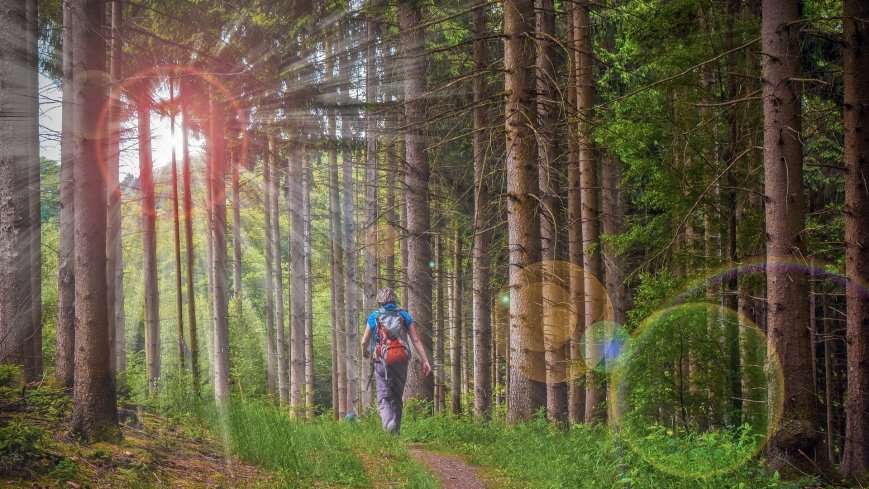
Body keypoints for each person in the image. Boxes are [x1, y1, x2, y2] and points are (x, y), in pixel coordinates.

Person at [360, 287, 431, 435]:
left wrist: (365, 352)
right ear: (394, 300)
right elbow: (416, 339)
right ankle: (396, 430)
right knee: (397, 396)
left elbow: (363, 341)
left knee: (384, 397)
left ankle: (389, 425)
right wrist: (426, 361)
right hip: (401, 359)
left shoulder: (374, 316)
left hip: (382, 361)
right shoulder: (403, 315)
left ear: (380, 302)